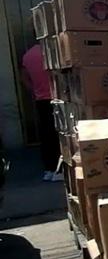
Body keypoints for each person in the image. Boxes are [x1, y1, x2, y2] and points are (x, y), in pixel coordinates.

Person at [20, 44, 60, 180]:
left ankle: (49, 169)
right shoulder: (53, 49)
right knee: (59, 134)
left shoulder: (28, 55)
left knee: (46, 135)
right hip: (57, 98)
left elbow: (24, 78)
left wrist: (34, 91)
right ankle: (59, 170)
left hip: (41, 100)